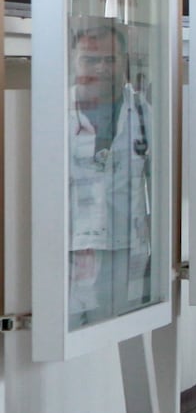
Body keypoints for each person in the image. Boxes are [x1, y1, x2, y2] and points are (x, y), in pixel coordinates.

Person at [68, 22, 155, 329]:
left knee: (113, 340)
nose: (102, 68)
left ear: (124, 62)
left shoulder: (142, 112)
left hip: (123, 248)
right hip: (66, 248)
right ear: (74, 60)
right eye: (91, 60)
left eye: (111, 59)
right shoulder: (55, 112)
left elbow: (159, 187)